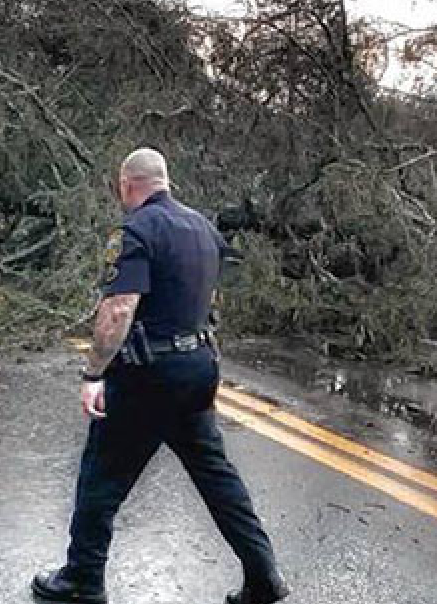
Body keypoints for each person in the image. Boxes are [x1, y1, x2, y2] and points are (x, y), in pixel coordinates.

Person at [32, 148, 288, 604]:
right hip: (198, 367)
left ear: (128, 185)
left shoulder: (136, 230)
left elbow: (119, 309)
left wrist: (93, 372)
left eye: (121, 189)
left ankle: (82, 580)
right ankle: (264, 575)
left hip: (148, 375)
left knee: (101, 475)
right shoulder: (204, 230)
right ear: (165, 181)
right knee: (216, 477)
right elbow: (207, 303)